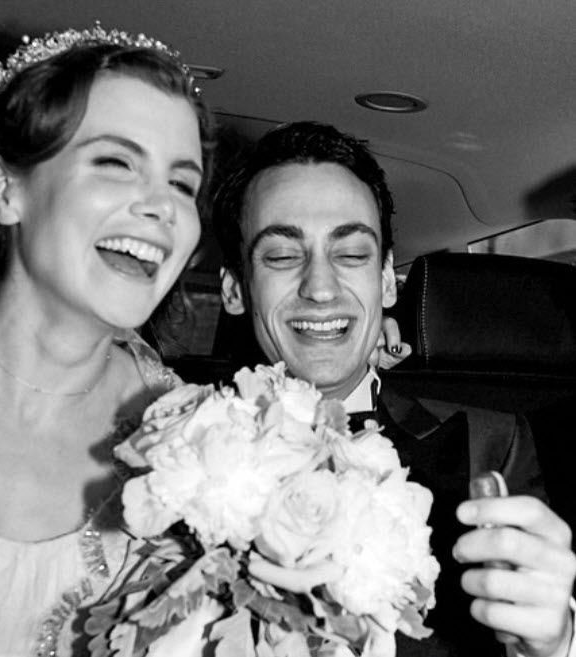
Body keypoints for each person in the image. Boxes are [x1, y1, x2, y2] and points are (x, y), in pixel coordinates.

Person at [212, 120, 576, 657]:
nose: (320, 288)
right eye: (283, 256)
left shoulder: (491, 444)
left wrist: (556, 641)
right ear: (235, 289)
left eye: (351, 255)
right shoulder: (176, 445)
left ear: (386, 280)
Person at [0, 23, 213, 656]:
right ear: (5, 190)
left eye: (183, 184)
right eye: (117, 163)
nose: (162, 206)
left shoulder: (201, 438)